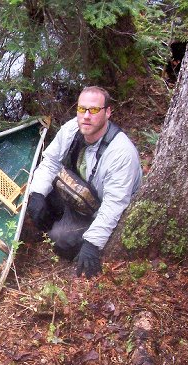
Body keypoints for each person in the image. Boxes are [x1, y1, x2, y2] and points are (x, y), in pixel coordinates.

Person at [27, 86, 142, 277]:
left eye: (94, 110)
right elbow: (50, 162)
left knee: (60, 240)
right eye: (82, 109)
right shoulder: (73, 128)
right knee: (40, 200)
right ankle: (56, 221)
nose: (86, 116)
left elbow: (114, 204)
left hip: (99, 208)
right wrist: (37, 194)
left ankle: (74, 235)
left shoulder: (121, 153)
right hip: (80, 193)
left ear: (108, 112)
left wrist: (93, 243)